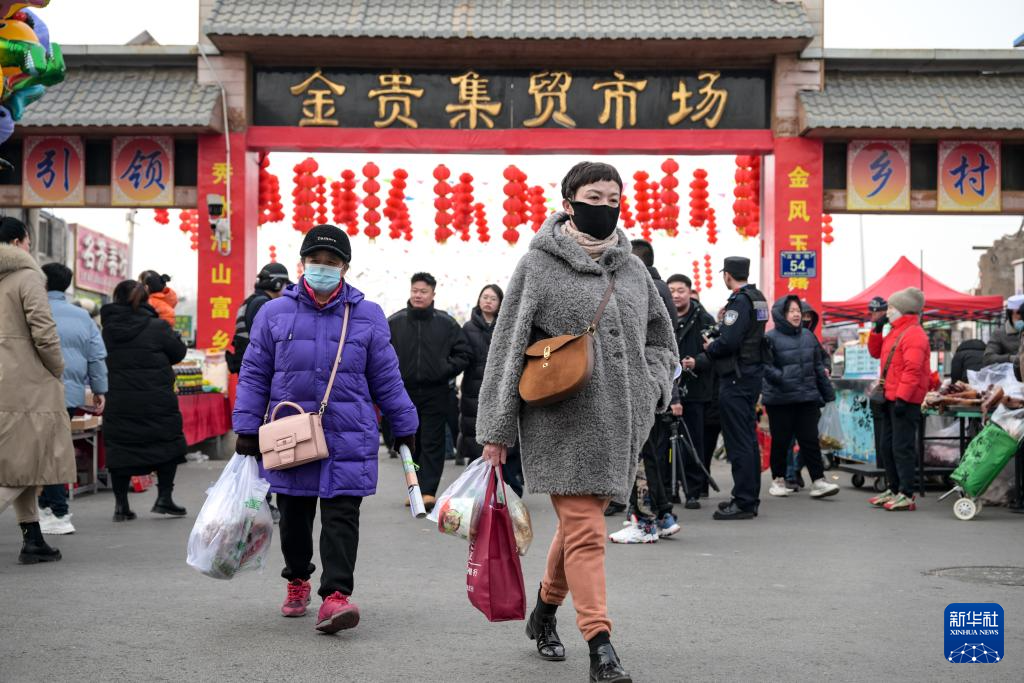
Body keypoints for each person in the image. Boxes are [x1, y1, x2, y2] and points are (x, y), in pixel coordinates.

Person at [477, 161, 677, 682]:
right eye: (595, 195)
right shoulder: (538, 265)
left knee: (576, 527)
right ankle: (601, 645)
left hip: (622, 421)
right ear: (569, 202)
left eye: (614, 197)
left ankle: (544, 612)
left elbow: (662, 339)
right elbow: (506, 348)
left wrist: (654, 385)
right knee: (587, 529)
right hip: (560, 421)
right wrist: (496, 431)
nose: (605, 205)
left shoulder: (633, 270)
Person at [233, 224, 417, 633]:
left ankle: (335, 597)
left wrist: (403, 423)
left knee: (341, 516)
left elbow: (387, 376)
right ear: (302, 263)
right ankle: (297, 578)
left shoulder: (366, 315)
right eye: (315, 261)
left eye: (330, 263)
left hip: (348, 433)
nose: (321, 268)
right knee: (295, 515)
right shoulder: (274, 312)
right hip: (289, 431)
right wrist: (246, 426)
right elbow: (254, 371)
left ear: (345, 268)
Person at [0, 218, 74, 564]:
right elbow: (44, 331)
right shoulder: (27, 277)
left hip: (6, 383)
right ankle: (33, 538)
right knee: (20, 465)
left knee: (20, 462)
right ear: (18, 242)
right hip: (26, 385)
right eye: (28, 241)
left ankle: (33, 538)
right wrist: (57, 368)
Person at [608, 241, 680, 544]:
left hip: (640, 384)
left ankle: (645, 520)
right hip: (654, 383)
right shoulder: (660, 287)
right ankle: (663, 514)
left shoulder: (644, 288)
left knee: (640, 456)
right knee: (648, 452)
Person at [101, 279, 189, 522]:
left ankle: (121, 505)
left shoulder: (107, 330)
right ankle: (164, 498)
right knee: (167, 447)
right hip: (156, 400)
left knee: (120, 449)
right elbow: (178, 353)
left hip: (120, 400)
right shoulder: (157, 327)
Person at [388, 272, 471, 508]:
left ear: (433, 294)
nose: (418, 295)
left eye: (423, 291)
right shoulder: (395, 322)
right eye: (415, 290)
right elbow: (380, 355)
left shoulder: (446, 323)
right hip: (403, 394)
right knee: (409, 443)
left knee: (433, 442)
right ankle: (414, 488)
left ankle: (428, 490)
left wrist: (444, 370)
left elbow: (464, 354)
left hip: (436, 393)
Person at [38, 263, 108, 536]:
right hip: (68, 394)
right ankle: (48, 507)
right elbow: (96, 356)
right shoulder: (82, 317)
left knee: (44, 451)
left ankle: (57, 510)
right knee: (55, 448)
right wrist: (100, 389)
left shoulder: (32, 310)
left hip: (33, 392)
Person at [704, 256, 769, 521]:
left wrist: (711, 346)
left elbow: (729, 341)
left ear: (727, 275)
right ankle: (749, 497)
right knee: (748, 440)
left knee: (738, 441)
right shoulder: (758, 298)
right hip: (751, 375)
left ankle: (743, 501)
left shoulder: (739, 301)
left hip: (736, 377)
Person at [762, 296, 840, 499]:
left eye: (798, 310)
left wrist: (827, 393)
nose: (797, 314)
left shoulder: (808, 336)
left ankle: (818, 481)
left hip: (806, 397)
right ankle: (778, 479)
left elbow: (818, 366)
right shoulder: (770, 338)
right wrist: (783, 378)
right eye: (792, 311)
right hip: (780, 399)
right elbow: (765, 366)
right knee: (781, 441)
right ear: (781, 314)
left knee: (810, 441)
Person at [456, 284, 524, 496]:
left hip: (503, 388)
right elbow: (461, 356)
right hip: (474, 390)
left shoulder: (507, 327)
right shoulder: (468, 328)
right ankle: (484, 492)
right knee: (477, 440)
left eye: (492, 298)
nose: (488, 301)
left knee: (505, 441)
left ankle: (509, 490)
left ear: (500, 303)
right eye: (484, 297)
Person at [867, 287, 931, 511]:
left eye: (892, 307)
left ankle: (906, 492)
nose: (888, 311)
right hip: (889, 397)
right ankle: (893, 488)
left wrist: (903, 398)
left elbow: (912, 371)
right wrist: (876, 329)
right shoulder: (894, 330)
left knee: (901, 448)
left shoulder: (914, 333)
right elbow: (875, 353)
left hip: (904, 400)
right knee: (887, 446)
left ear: (903, 310)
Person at [667, 273, 715, 510]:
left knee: (694, 441)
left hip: (695, 390)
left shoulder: (703, 318)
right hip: (666, 390)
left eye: (681, 290)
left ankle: (693, 490)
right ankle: (669, 488)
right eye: (672, 290)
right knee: (665, 443)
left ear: (689, 291)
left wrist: (698, 361)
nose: (676, 295)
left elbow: (715, 352)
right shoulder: (662, 315)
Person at [226, 263, 292, 374]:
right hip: (258, 370)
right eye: (285, 284)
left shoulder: (250, 302)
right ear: (277, 284)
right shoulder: (264, 305)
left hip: (248, 368)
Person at [983, 294, 1024, 374]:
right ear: (1010, 314)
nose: (1022, 317)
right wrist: (1010, 358)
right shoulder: (999, 333)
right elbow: (988, 358)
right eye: (1018, 313)